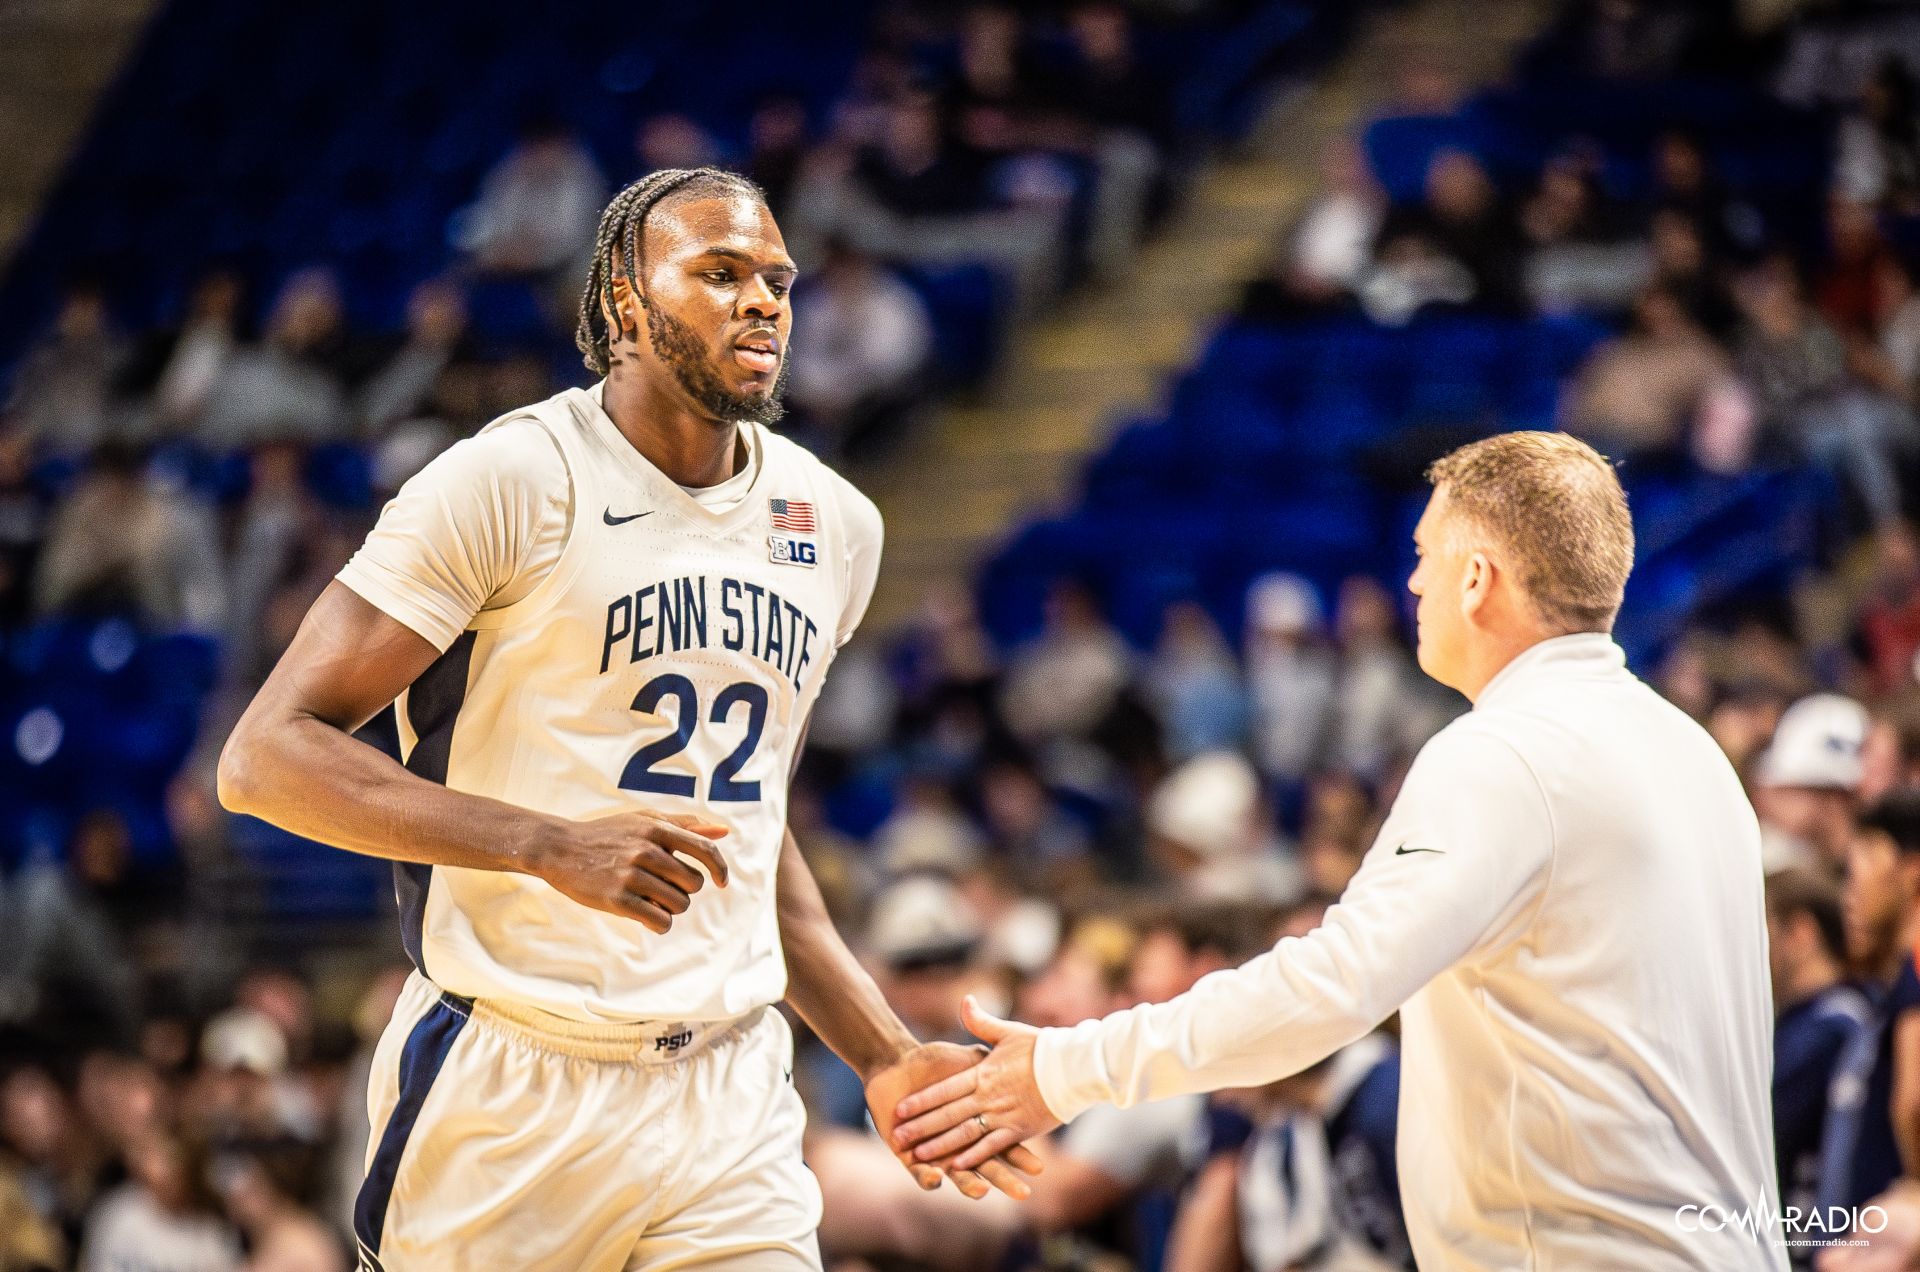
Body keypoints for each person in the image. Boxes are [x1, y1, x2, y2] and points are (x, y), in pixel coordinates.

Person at [216, 167, 1035, 1270]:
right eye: (720, 273)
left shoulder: (834, 524)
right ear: (621, 304)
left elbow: (752, 832)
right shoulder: (509, 479)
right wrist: (542, 844)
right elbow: (265, 758)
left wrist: (880, 1051)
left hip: (731, 1093)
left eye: (778, 281)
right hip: (515, 1083)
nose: (763, 302)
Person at [891, 431, 1785, 1269]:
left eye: (1424, 558)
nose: (1411, 587)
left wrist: (1062, 1069)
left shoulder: (1504, 753)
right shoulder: (1694, 754)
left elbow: (1331, 988)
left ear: (1477, 579)